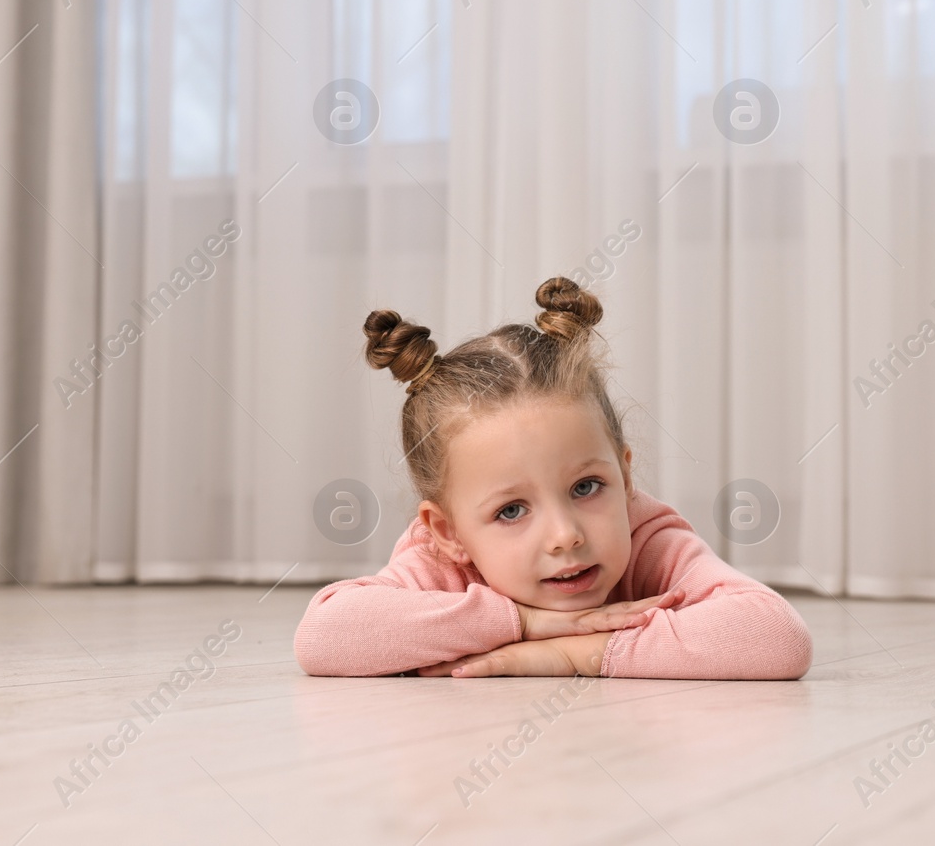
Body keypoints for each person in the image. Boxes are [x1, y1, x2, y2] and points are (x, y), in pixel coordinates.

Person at [292, 276, 813, 680]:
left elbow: (777, 636)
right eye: (511, 510)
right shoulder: (439, 559)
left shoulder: (643, 534)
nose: (566, 535)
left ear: (625, 478)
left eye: (586, 487)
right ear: (449, 532)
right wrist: (524, 623)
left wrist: (574, 651)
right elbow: (324, 635)